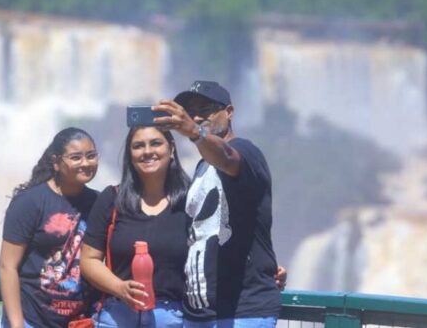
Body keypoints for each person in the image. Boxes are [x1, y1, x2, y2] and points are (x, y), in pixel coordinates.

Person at [153, 81, 284, 327]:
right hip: (197, 313)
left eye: (206, 108)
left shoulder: (245, 151)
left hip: (242, 311)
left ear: (230, 112)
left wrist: (194, 132)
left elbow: (226, 157)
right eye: (191, 111)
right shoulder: (202, 167)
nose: (198, 116)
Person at [80, 126, 191, 328]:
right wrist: (120, 288)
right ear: (130, 155)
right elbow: (89, 260)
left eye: (156, 143)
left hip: (172, 318)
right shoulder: (111, 199)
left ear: (172, 149)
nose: (147, 151)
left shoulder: (191, 202)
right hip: (116, 316)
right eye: (138, 146)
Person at [0, 127, 100, 328]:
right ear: (56, 162)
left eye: (91, 156)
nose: (85, 163)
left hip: (79, 323)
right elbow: (7, 266)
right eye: (76, 157)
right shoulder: (30, 202)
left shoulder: (99, 202)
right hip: (31, 320)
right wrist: (17, 324)